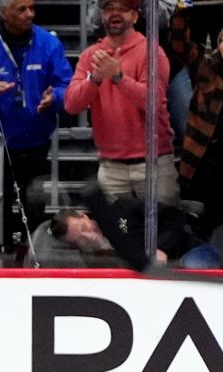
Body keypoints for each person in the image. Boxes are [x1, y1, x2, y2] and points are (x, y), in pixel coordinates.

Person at [0, 0, 73, 253]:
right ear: (4, 12)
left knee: (34, 203)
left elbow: (67, 85)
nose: (29, 14)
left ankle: (34, 249)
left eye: (32, 8)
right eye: (22, 9)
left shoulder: (48, 43)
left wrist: (56, 97)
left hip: (36, 141)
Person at [64, 0, 180, 206]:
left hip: (153, 165)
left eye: (122, 9)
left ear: (135, 16)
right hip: (111, 168)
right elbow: (71, 104)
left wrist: (118, 77)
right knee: (121, 234)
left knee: (161, 234)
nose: (114, 14)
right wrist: (95, 79)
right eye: (109, 9)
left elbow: (153, 102)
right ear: (101, 16)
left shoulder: (152, 52)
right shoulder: (91, 55)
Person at [49, 186, 220, 270]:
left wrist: (161, 248)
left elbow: (175, 215)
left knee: (194, 270)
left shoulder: (123, 209)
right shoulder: (95, 262)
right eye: (80, 238)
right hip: (157, 278)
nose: (88, 235)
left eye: (83, 227)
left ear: (84, 215)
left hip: (188, 252)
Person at [171, 6, 223, 238]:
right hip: (209, 160)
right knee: (207, 223)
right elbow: (180, 45)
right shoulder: (207, 70)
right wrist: (181, 12)